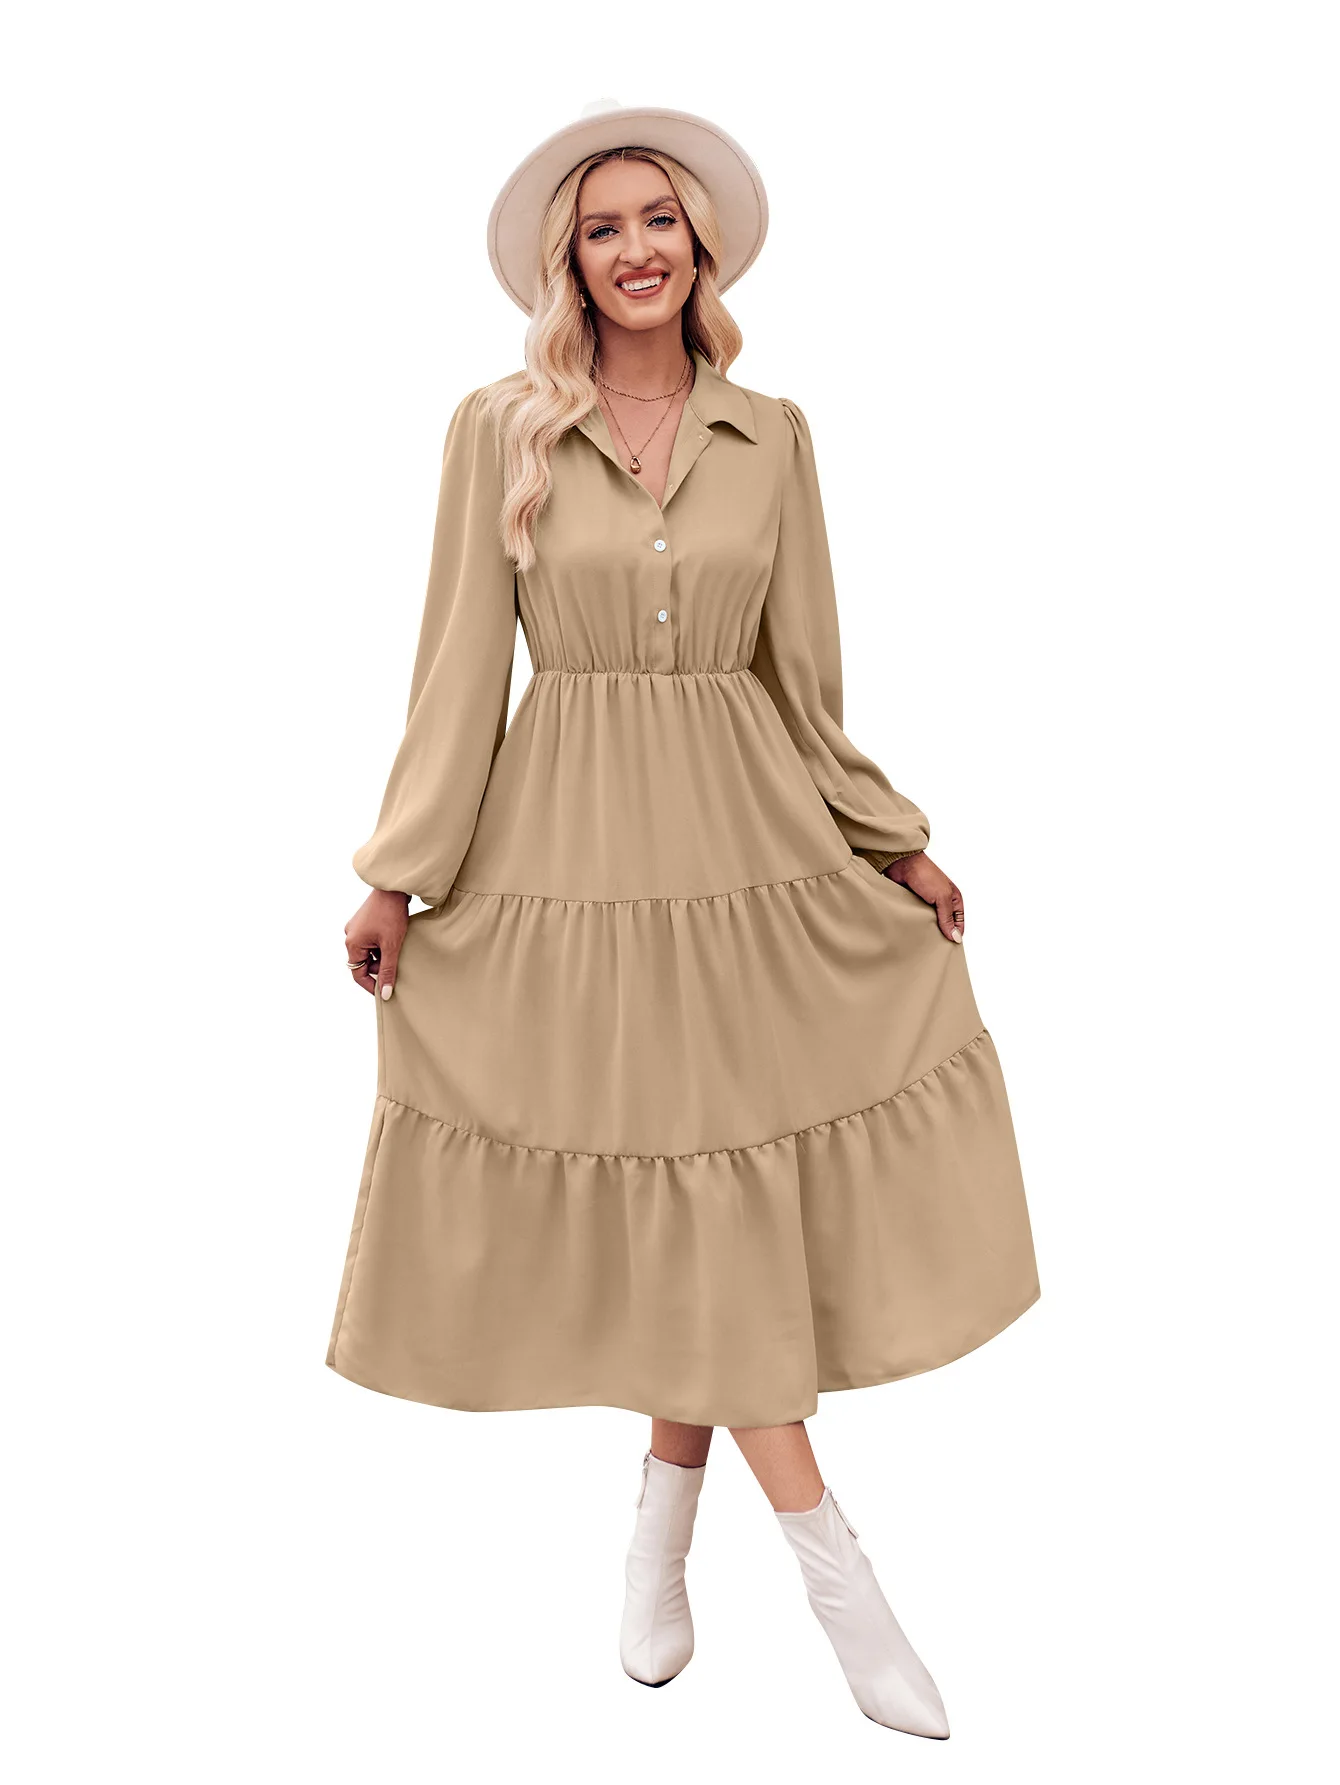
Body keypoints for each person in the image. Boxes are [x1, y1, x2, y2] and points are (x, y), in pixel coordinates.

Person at [328, 101, 1040, 1739]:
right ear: (568, 262)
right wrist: (397, 868)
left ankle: (663, 1531)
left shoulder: (772, 435)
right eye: (604, 228)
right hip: (569, 858)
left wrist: (890, 842)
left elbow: (803, 678)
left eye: (661, 220)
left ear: (701, 246)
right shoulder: (499, 427)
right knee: (678, 1178)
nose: (636, 248)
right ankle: (833, 1572)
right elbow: (458, 666)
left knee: (710, 1181)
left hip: (747, 850)